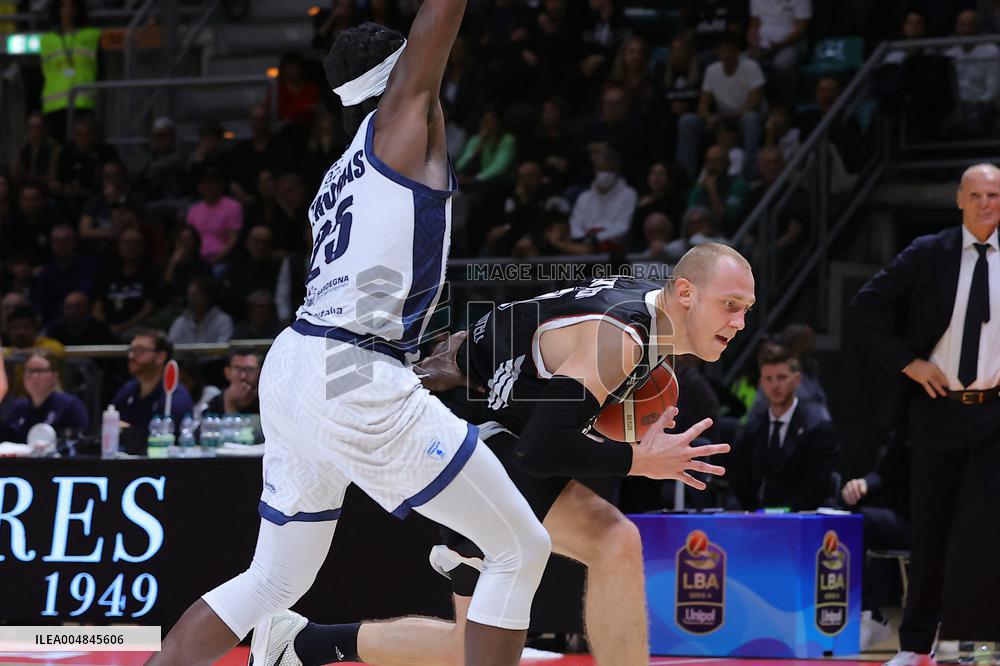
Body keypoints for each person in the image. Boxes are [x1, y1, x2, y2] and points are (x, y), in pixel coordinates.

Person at [152, 6, 553, 666]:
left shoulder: (339, 174)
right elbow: (434, 37)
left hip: (301, 362)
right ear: (397, 82)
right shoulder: (398, 128)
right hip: (347, 368)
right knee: (520, 547)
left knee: (275, 580)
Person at [253, 243, 752, 666]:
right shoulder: (620, 339)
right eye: (730, 304)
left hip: (484, 418)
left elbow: (523, 330)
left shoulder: (641, 306)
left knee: (469, 648)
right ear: (684, 293)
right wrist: (638, 460)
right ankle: (459, 553)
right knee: (614, 542)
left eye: (746, 309)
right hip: (474, 433)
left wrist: (458, 358)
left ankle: (298, 643)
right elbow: (544, 447)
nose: (740, 321)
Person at [850, 163, 1000, 666]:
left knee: (989, 534)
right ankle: (915, 646)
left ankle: (981, 648)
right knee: (931, 530)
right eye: (976, 195)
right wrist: (908, 363)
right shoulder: (929, 253)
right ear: (959, 199)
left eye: (994, 195)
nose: (985, 204)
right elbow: (867, 304)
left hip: (994, 410)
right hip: (937, 409)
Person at [728, 342, 838, 511]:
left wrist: (778, 516)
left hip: (803, 518)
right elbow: (738, 486)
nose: (775, 386)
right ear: (761, 382)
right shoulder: (751, 429)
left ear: (797, 380)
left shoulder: (818, 428)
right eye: (769, 379)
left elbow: (815, 489)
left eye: (781, 377)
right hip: (757, 519)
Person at [111, 330, 193, 455]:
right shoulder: (128, 389)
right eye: (131, 350)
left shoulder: (175, 397)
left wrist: (129, 432)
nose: (131, 356)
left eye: (140, 351)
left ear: (160, 357)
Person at [0, 349, 88, 443]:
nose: (34, 376)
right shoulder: (18, 408)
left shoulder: (70, 406)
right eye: (29, 370)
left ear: (54, 376)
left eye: (40, 371)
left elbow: (80, 443)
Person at [205, 348, 260, 415]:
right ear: (227, 372)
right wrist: (229, 401)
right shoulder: (215, 403)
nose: (243, 376)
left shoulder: (267, 399)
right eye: (237, 369)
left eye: (250, 369)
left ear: (259, 372)